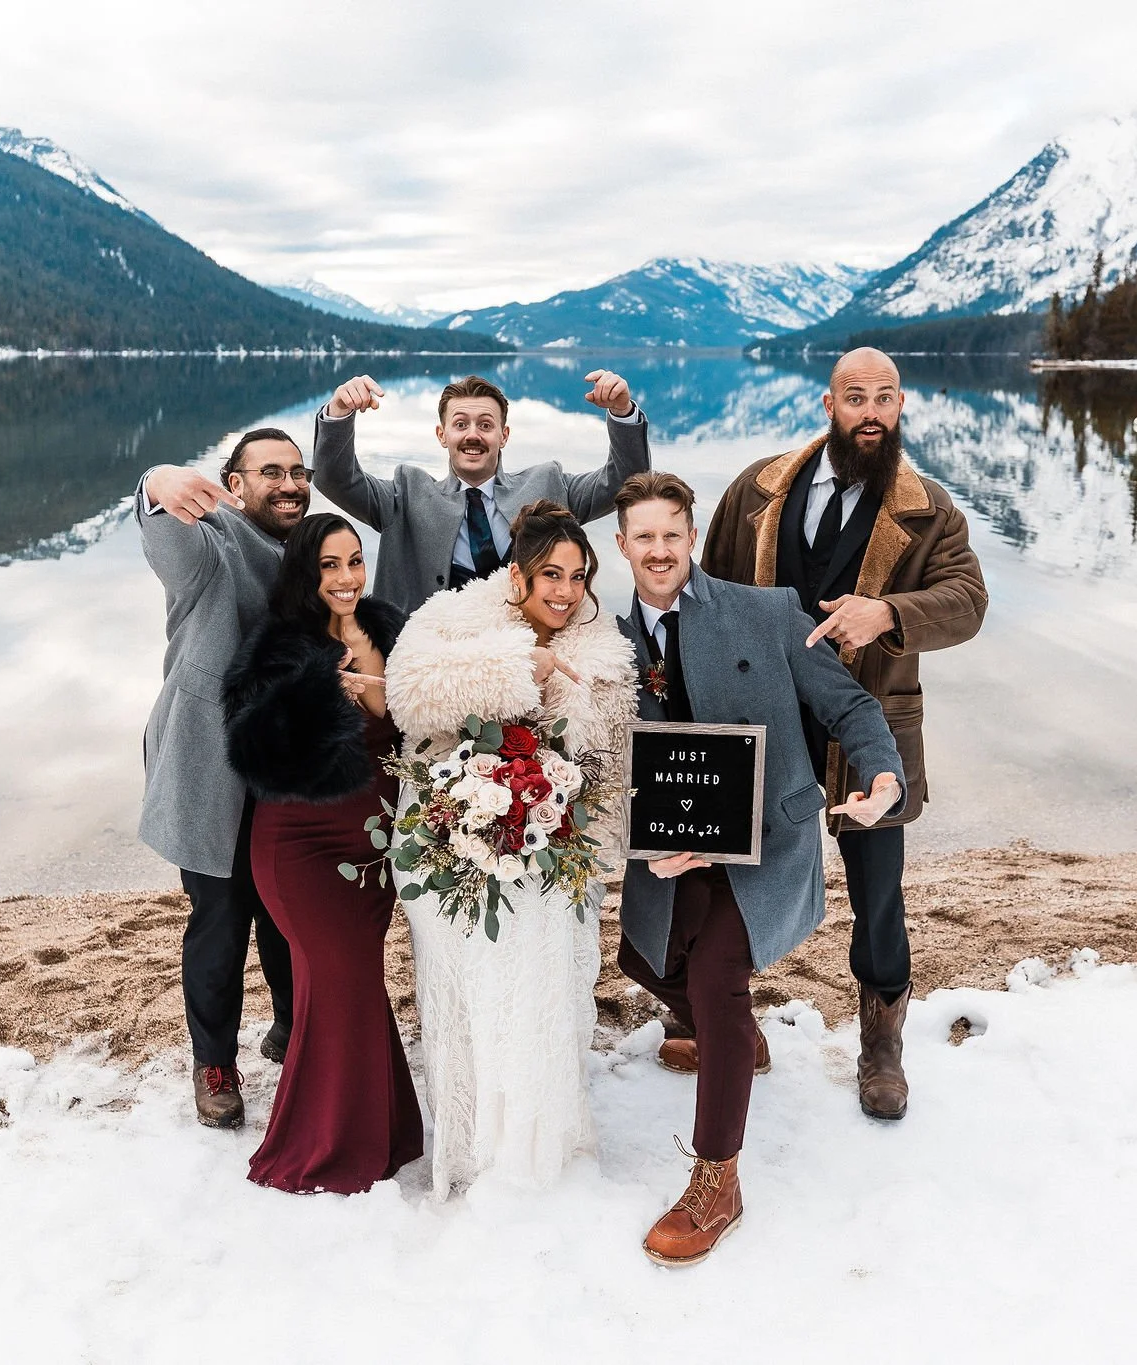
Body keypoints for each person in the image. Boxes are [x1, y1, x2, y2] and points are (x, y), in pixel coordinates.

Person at [610, 471, 905, 1267]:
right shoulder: (605, 644)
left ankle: (718, 1180)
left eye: (673, 533)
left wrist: (882, 776)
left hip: (764, 845)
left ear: (690, 535)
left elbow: (852, 708)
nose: (661, 549)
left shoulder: (767, 611)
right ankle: (737, 1041)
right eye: (645, 536)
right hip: (670, 851)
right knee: (639, 956)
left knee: (715, 978)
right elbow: (609, 765)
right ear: (622, 545)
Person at [700, 347, 987, 1121]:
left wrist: (888, 613)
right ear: (828, 406)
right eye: (855, 396)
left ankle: (882, 1044)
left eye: (884, 398)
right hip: (760, 719)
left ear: (901, 408)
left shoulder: (931, 510)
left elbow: (968, 600)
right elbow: (707, 588)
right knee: (725, 871)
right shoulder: (755, 490)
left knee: (878, 891)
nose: (870, 412)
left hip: (870, 730)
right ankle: (722, 1016)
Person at [384, 500, 637, 1199]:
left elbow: (610, 762)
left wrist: (577, 826)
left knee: (542, 989)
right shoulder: (453, 616)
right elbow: (409, 696)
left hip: (554, 850)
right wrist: (519, 665)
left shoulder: (602, 644)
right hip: (451, 846)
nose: (565, 590)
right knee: (473, 993)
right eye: (550, 573)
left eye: (578, 575)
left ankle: (538, 1138)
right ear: (517, 573)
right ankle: (471, 1143)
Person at [221, 513, 422, 1195]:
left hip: (375, 847)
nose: (345, 578)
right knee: (339, 975)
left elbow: (427, 707)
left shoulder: (391, 627)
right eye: (329, 565)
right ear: (307, 573)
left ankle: (385, 1131)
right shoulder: (279, 644)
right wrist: (318, 693)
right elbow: (251, 746)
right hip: (302, 846)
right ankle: (323, 1147)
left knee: (351, 980)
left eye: (355, 562)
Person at [136, 428, 317, 1127]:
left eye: (298, 471)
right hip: (212, 765)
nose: (289, 483)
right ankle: (214, 1061)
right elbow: (166, 534)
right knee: (220, 917)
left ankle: (292, 1026)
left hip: (286, 769)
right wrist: (156, 483)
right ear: (233, 485)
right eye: (270, 472)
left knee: (288, 909)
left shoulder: (308, 553)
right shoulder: (212, 542)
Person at [312, 370, 653, 615]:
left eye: (485, 425)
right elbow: (335, 479)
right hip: (429, 665)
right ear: (441, 434)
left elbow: (627, 481)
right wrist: (340, 412)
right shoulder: (405, 493)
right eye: (460, 424)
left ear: (503, 435)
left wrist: (621, 411)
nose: (472, 435)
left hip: (531, 655)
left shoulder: (549, 484)